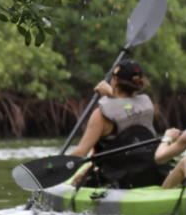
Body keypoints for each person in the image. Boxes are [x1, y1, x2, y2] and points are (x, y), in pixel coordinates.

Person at [69, 59, 166, 188]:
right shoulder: (148, 108)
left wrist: (53, 167)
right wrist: (111, 93)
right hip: (148, 174)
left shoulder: (101, 115)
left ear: (115, 81)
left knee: (79, 179)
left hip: (115, 180)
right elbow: (127, 110)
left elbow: (80, 154)